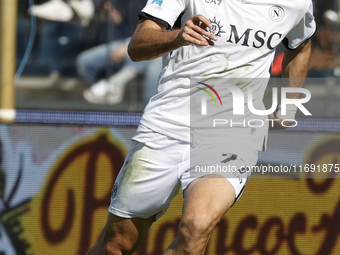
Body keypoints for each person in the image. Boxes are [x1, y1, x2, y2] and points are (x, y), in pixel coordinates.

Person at [87, 0, 316, 254]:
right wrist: (178, 37)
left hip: (233, 133)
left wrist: (289, 105)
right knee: (115, 245)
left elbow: (301, 45)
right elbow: (137, 46)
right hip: (166, 126)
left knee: (196, 229)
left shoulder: (298, 3)